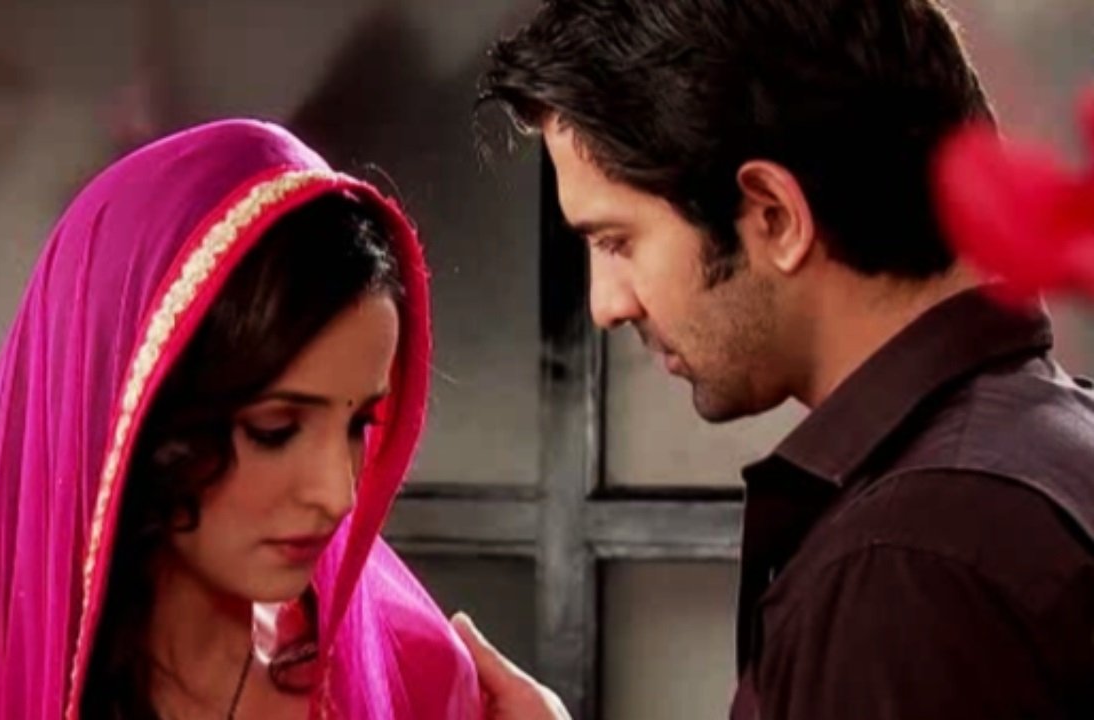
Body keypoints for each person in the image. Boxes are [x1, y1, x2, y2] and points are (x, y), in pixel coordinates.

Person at [463, 0, 1094, 718]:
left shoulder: (903, 565)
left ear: (774, 216)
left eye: (617, 242)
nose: (607, 304)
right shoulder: (1050, 451)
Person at [0, 120, 481, 720]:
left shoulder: (419, 683)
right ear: (138, 415)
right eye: (275, 430)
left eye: (358, 425)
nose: (337, 494)